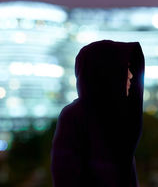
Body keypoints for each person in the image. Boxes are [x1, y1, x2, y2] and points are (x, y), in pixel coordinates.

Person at [51, 40, 145, 187]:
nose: (131, 75)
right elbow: (66, 177)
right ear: (106, 70)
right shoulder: (74, 115)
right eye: (124, 68)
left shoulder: (120, 119)